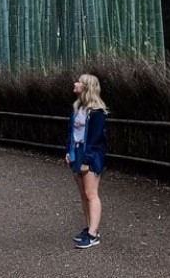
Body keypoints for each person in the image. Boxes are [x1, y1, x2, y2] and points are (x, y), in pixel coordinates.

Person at [64, 73, 108, 249]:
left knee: (91, 193)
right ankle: (91, 227)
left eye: (79, 82)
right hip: (77, 152)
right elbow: (72, 133)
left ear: (86, 87)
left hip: (91, 154)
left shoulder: (97, 112)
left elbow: (96, 139)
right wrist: (69, 151)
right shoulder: (77, 109)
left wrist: (87, 160)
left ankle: (93, 234)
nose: (75, 83)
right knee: (83, 195)